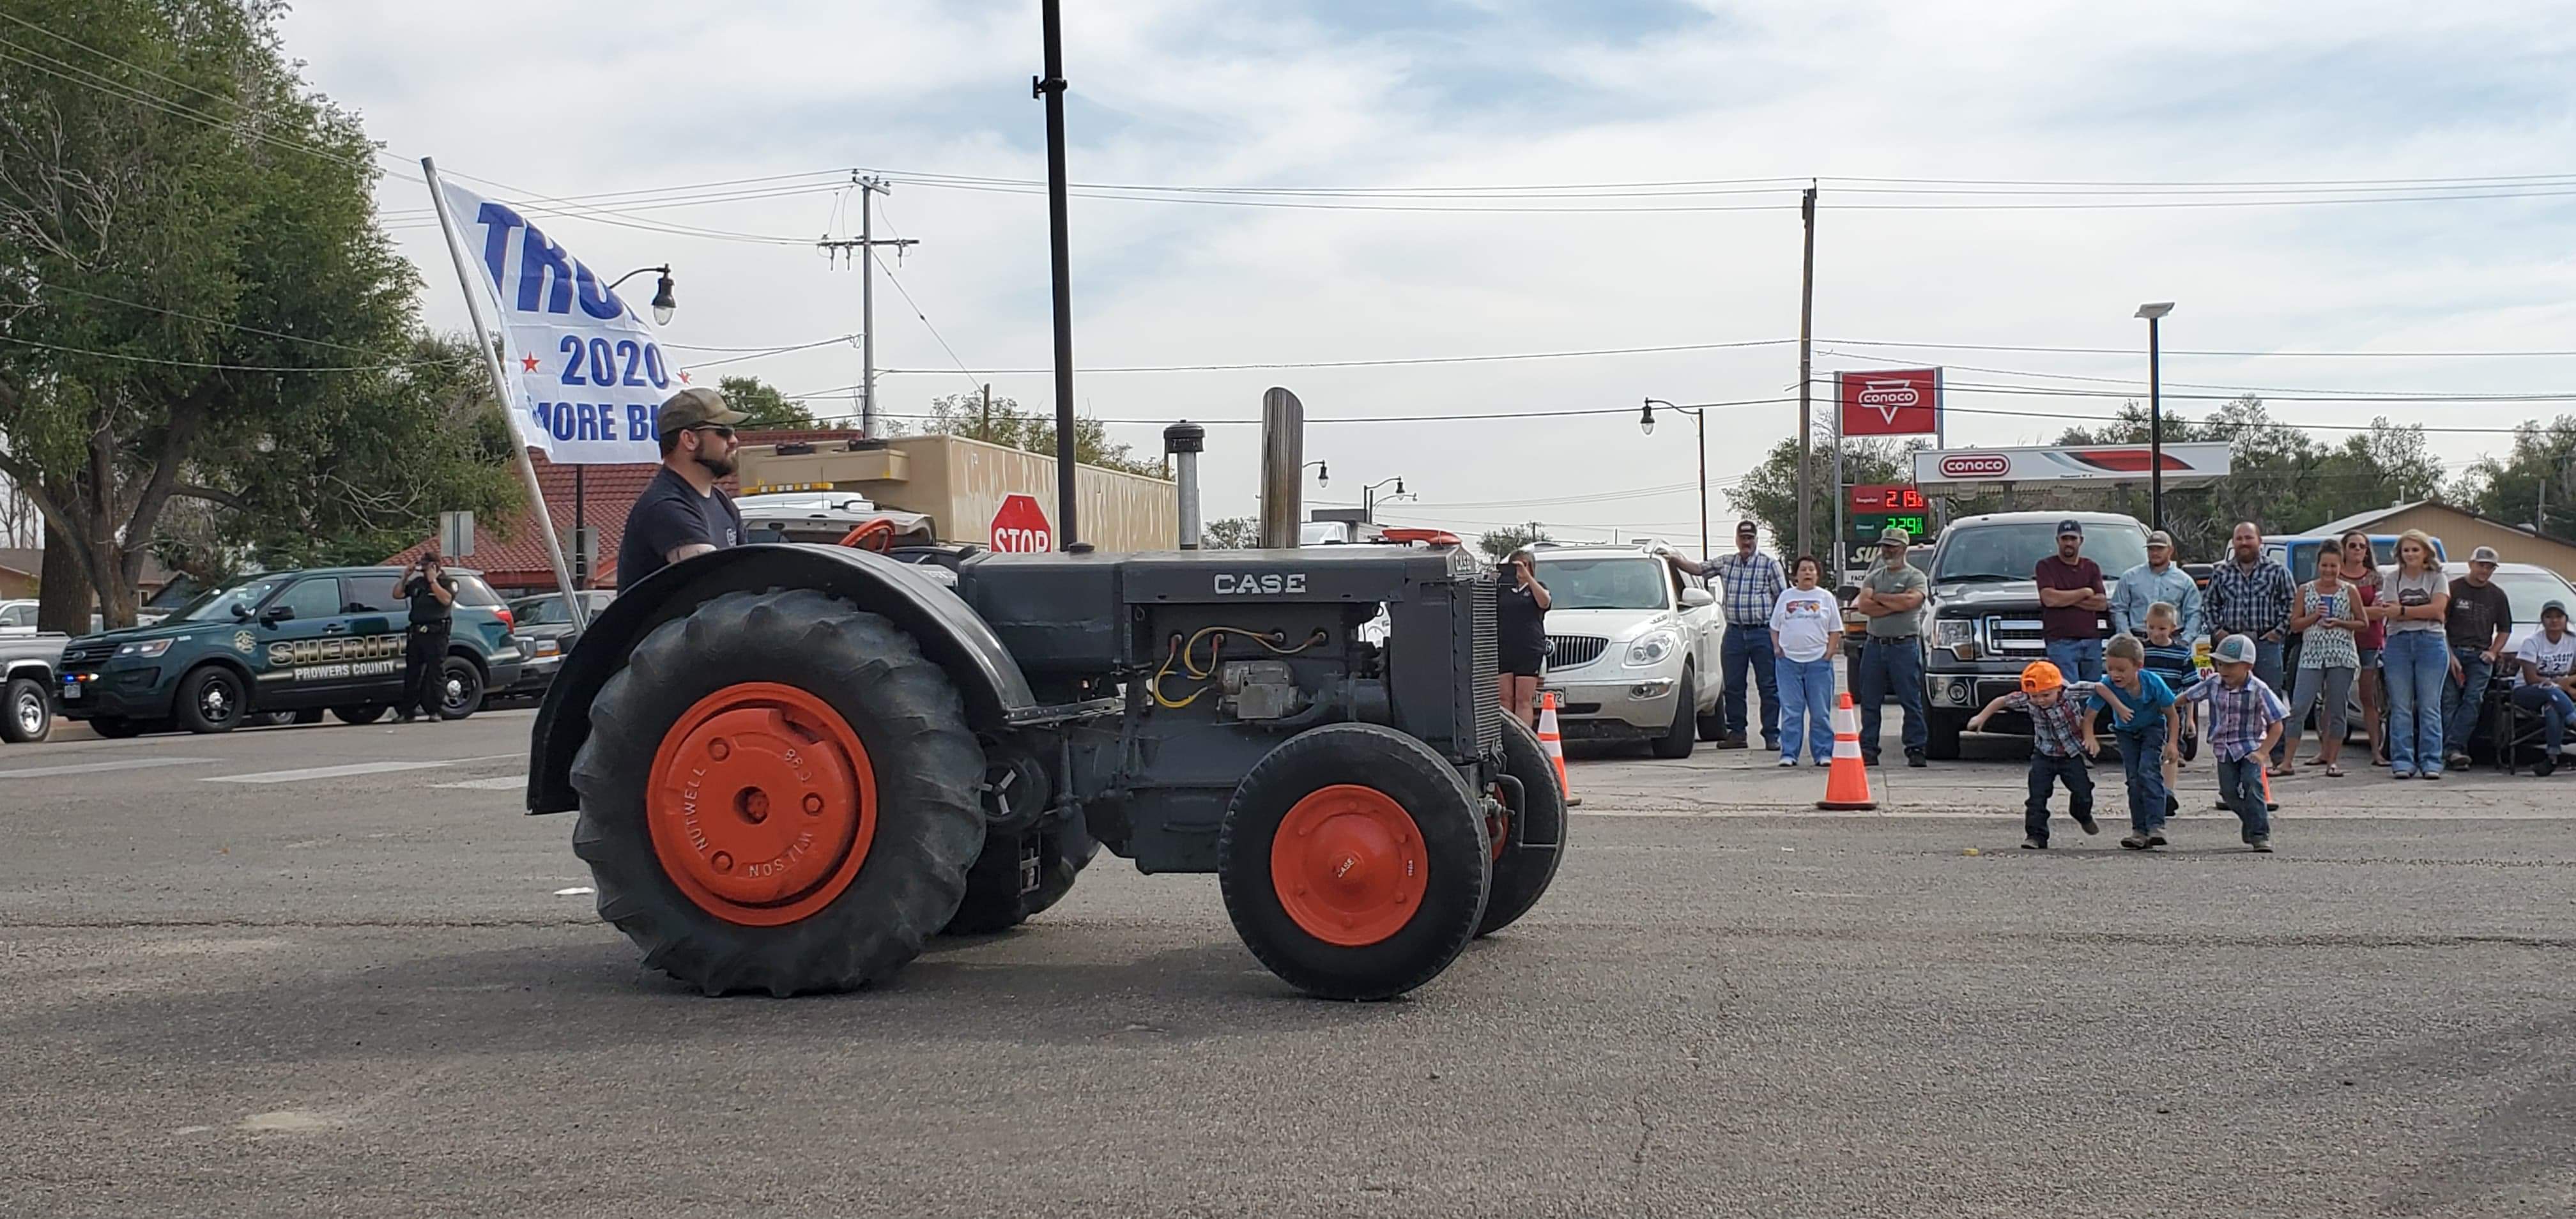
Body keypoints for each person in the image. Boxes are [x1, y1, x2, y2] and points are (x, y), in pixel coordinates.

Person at [1660, 521, 1785, 751]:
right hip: (1735, 632)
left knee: (1768, 686)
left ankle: (1771, 735)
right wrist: (1672, 559)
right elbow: (1699, 568)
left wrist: (1779, 635)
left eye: (1750, 538)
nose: (1746, 543)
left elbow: (1783, 600)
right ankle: (1737, 733)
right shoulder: (1727, 562)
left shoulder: (1770, 565)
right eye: (1743, 538)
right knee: (1733, 686)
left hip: (1762, 632)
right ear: (1737, 540)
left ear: (1756, 540)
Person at [617, 387, 749, 589]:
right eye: (723, 431)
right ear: (689, 439)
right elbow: (715, 586)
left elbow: (747, 576)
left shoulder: (722, 502)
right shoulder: (666, 506)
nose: (734, 441)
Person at [2174, 633, 2289, 852]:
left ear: (2247, 666)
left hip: (2250, 747)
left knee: (2252, 785)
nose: (2223, 670)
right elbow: (2186, 697)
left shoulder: (2259, 689)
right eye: (2220, 664)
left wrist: (2264, 753)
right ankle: (2250, 819)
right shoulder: (2213, 684)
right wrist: (2168, 705)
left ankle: (2260, 834)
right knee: (2228, 793)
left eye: (2230, 665)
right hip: (2223, 748)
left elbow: (2277, 724)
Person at [1965, 661, 2097, 850]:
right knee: (2037, 797)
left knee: (2083, 792)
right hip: (2043, 754)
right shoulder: (2026, 698)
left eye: (2046, 695)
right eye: (2035, 696)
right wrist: (1981, 717)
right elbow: (2001, 701)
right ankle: (2036, 836)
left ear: (2058, 688)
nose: (2040, 700)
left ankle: (2082, 814)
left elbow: (2100, 687)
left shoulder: (2070, 692)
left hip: (2071, 754)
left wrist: (2119, 700)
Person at [2086, 634, 2183, 850]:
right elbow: (2090, 715)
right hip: (2126, 733)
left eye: (2121, 670)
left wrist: (2173, 743)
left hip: (2152, 729)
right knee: (2134, 780)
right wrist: (2090, 736)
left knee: (2148, 772)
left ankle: (2157, 826)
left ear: (2138, 666)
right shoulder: (2108, 685)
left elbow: (2172, 714)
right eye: (2110, 668)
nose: (2115, 675)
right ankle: (2139, 830)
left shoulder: (2153, 683)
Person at [2281, 545, 2365, 778]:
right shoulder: (2305, 590)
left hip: (2341, 655)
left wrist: (2340, 622)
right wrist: (2315, 616)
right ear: (2318, 566)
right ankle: (2287, 762)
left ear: (2341, 567)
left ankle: (2332, 761)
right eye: (2325, 565)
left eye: (2334, 566)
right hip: (2311, 655)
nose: (2329, 570)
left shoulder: (2349, 591)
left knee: (2337, 709)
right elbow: (2295, 625)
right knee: (2299, 707)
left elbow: (2363, 622)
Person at [1851, 525, 1929, 768]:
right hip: (1875, 646)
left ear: (1903, 549)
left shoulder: (1916, 577)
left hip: (1904, 646)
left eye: (1891, 547)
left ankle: (1915, 748)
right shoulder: (1874, 576)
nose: (1886, 551)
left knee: (1910, 700)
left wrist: (1881, 599)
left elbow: (1912, 601)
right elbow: (1864, 606)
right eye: (1884, 546)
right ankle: (1869, 749)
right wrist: (1895, 604)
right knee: (1870, 701)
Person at [2378, 530, 2452, 780]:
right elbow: (2389, 611)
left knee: (2430, 706)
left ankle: (2432, 760)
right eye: (2406, 550)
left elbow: (2439, 609)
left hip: (2430, 642)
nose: (2410, 555)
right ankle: (2402, 760)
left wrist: (2404, 610)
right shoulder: (2392, 578)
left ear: (2425, 553)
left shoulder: (2437, 577)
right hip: (2398, 643)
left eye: (2415, 550)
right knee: (2400, 707)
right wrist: (2422, 611)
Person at [2441, 546, 2515, 771]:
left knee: (2474, 700)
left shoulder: (2497, 595)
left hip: (2480, 656)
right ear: (2471, 564)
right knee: (2449, 701)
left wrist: (2493, 652)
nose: (2484, 570)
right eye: (2481, 565)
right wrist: (2450, 655)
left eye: (2489, 566)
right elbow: (2439, 626)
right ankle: (2453, 751)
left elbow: (2504, 630)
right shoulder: (2453, 589)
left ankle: (2451, 749)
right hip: (2452, 651)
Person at [2204, 522, 2297, 698]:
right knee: (2229, 695)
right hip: (2231, 644)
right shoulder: (2222, 572)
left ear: (2259, 541)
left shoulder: (2277, 571)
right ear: (2233, 542)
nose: (2244, 542)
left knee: (2269, 696)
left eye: (2249, 538)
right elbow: (2209, 603)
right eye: (2239, 539)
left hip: (2265, 643)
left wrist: (2278, 632)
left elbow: (2292, 603)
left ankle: (2272, 728)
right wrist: (2217, 631)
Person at [1768, 555, 1838, 768]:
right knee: (1791, 711)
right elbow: (1774, 627)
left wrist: (1828, 654)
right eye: (1803, 570)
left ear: (1817, 575)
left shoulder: (1826, 598)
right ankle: (1789, 753)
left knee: (1820, 712)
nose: (1807, 573)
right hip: (1789, 664)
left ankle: (1823, 753)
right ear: (1795, 575)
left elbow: (1835, 629)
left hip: (1818, 663)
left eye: (1811, 570)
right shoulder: (1785, 597)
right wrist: (1777, 648)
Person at [2139, 601, 2199, 811]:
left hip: (2173, 710)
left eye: (2162, 628)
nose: (2156, 633)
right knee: (2147, 752)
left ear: (2173, 628)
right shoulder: (2141, 652)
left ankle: (2168, 792)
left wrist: (2190, 718)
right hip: (2145, 710)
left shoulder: (2181, 654)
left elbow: (2191, 689)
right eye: (2151, 627)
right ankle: (2150, 791)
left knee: (2171, 750)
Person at [2032, 519, 2108, 683]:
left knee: (2093, 693)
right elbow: (2049, 599)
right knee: (2069, 693)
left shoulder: (2092, 567)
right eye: (2064, 538)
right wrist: (2085, 592)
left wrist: (2064, 599)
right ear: (2057, 540)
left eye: (2073, 539)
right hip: (2060, 643)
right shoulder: (2045, 566)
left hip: (2092, 642)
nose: (2069, 543)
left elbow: (2101, 603)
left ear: (2081, 540)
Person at [2339, 531, 2390, 767]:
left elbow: (2381, 611)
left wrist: (2350, 612)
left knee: (2368, 697)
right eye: (2353, 545)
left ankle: (2376, 751)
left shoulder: (2376, 578)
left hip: (2369, 641)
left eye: (2362, 546)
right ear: (2345, 549)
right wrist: (2363, 612)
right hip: (2338, 641)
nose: (2358, 550)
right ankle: (2330, 753)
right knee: (2334, 697)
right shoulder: (2335, 575)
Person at [388, 551, 456, 724]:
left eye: (426, 567)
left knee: (435, 672)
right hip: (417, 633)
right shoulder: (418, 583)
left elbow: (446, 600)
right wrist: (405, 577)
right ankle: (408, 711)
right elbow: (397, 594)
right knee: (413, 673)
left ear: (435, 566)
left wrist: (433, 581)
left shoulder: (448, 583)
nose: (423, 570)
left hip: (436, 633)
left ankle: (435, 710)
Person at [2511, 601, 2575, 777]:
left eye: (2558, 617)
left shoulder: (2573, 641)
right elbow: (2531, 678)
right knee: (2549, 689)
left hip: (2558, 696)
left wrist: (2568, 684)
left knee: (2553, 708)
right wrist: (2561, 686)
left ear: (2565, 620)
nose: (2554, 621)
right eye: (2549, 617)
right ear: (2542, 620)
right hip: (2527, 691)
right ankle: (2573, 719)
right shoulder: (2532, 642)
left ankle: (2552, 759)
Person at [2111, 530, 2203, 641]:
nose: (2155, 553)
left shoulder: (2184, 581)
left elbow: (2194, 614)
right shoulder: (2129, 577)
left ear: (2170, 550)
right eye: (2151, 549)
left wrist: (2185, 641)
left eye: (2160, 549)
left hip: (2173, 641)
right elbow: (2118, 609)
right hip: (2139, 639)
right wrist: (2127, 637)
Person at [1496, 548, 1550, 728]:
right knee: (1504, 698)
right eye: (1517, 566)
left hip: (1528, 648)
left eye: (1525, 565)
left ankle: (1523, 737)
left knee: (1523, 699)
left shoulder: (1538, 587)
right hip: (1504, 647)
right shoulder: (1502, 589)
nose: (1520, 569)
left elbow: (1545, 602)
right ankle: (1504, 739)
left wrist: (1529, 578)